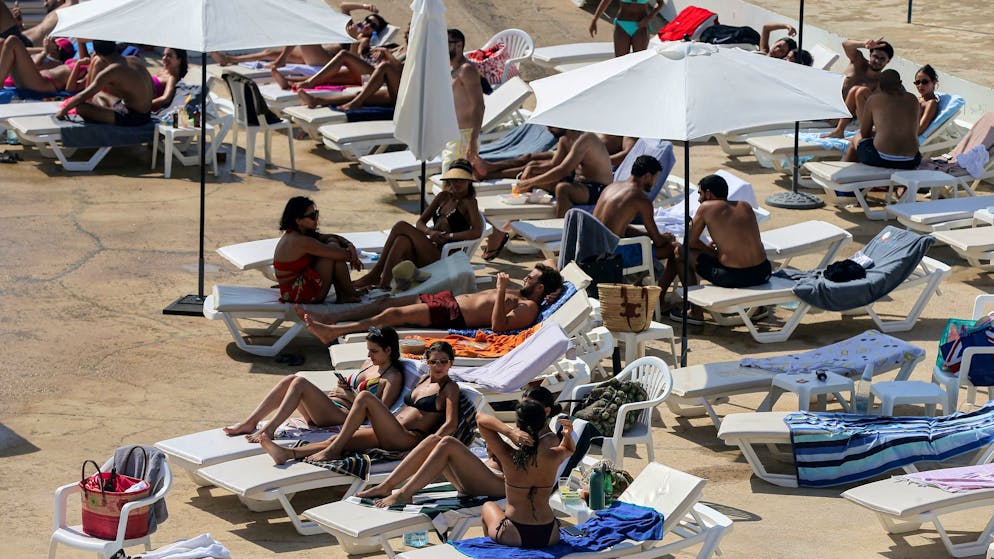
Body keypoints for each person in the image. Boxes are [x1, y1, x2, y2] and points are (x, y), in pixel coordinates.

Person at [355, 386, 564, 507]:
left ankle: (404, 494)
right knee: (434, 440)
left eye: (528, 406)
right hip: (480, 479)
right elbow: (480, 417)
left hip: (501, 487)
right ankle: (386, 486)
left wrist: (502, 449)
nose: (522, 411)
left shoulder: (548, 441)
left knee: (448, 443)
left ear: (546, 411)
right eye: (522, 405)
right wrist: (509, 432)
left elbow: (529, 476)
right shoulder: (521, 429)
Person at [258, 341, 461, 464]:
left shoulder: (449, 388)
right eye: (433, 361)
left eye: (443, 361)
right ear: (427, 362)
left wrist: (418, 450)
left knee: (365, 397)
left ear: (451, 363)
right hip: (391, 430)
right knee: (338, 439)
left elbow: (450, 425)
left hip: (407, 438)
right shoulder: (423, 379)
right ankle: (287, 453)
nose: (438, 366)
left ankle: (332, 452)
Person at [223, 327, 407, 442]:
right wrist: (343, 386)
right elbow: (353, 387)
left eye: (374, 351)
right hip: (329, 406)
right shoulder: (369, 363)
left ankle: (269, 430)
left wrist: (351, 395)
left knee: (300, 382)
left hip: (342, 415)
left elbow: (380, 413)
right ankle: (250, 422)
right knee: (290, 380)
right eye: (368, 350)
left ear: (388, 350)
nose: (368, 355)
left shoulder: (393, 377)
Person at [298, 264, 563, 344]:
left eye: (531, 277)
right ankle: (333, 318)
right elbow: (551, 266)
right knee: (387, 301)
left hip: (453, 314)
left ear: (540, 288)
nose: (525, 277)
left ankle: (334, 331)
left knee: (393, 314)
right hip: (448, 300)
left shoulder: (529, 308)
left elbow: (499, 327)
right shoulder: (523, 293)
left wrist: (502, 289)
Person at [479, 127, 613, 260]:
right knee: (536, 177)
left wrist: (529, 182)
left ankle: (561, 240)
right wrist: (531, 169)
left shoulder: (586, 139)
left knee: (562, 189)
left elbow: (563, 170)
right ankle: (514, 222)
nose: (548, 129)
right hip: (580, 184)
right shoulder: (565, 139)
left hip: (599, 189)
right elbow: (554, 164)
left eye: (551, 126)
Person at [353, 159, 482, 292]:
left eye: (461, 180)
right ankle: (384, 284)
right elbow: (420, 222)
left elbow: (477, 231)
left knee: (401, 225)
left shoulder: (469, 202)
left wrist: (449, 236)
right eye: (454, 179)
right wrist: (430, 232)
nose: (457, 183)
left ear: (469, 181)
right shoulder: (443, 196)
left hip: (445, 256)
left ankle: (374, 275)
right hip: (430, 249)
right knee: (401, 240)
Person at [670, 174, 771, 324]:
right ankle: (756, 309)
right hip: (763, 271)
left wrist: (708, 250)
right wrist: (717, 250)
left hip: (734, 277)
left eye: (700, 194)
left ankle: (695, 312)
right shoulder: (745, 206)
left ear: (708, 194)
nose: (699, 199)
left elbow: (689, 243)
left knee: (680, 252)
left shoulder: (706, 207)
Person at [481, 401, 575, 548]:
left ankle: (492, 553)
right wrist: (567, 435)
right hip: (550, 533)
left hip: (514, 533)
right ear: (544, 423)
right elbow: (569, 449)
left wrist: (509, 432)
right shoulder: (553, 456)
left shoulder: (508, 456)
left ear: (518, 425)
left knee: (488, 506)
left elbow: (480, 419)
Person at [592, 155, 679, 304]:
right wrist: (666, 238)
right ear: (647, 176)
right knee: (674, 250)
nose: (655, 183)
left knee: (644, 246)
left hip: (595, 247)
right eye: (656, 178)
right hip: (614, 254)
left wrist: (646, 235)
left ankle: (636, 293)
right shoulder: (640, 199)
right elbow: (658, 242)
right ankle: (659, 301)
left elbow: (616, 226)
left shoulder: (612, 187)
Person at [272, 196, 363, 304]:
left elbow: (332, 237)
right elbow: (340, 254)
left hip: (293, 289)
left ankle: (347, 294)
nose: (316, 219)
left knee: (332, 248)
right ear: (298, 220)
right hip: (295, 294)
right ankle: (348, 293)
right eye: (312, 216)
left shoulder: (298, 233)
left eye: (316, 214)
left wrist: (349, 245)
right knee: (330, 255)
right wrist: (351, 254)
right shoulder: (301, 241)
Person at [55, 40, 155, 126]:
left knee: (81, 107)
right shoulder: (134, 59)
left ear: (96, 54)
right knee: (100, 95)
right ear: (115, 47)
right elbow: (153, 88)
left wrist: (63, 112)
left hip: (134, 118)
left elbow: (83, 95)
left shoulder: (111, 71)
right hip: (146, 113)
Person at [844, 69, 921, 169]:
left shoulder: (874, 99)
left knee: (857, 138)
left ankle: (847, 173)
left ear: (879, 85)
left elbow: (864, 133)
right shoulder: (913, 99)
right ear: (900, 83)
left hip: (882, 158)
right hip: (912, 160)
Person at [823, 37, 893, 139]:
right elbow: (845, 44)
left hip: (841, 118)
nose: (877, 61)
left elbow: (869, 109)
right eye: (875, 56)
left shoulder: (880, 83)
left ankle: (841, 130)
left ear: (888, 61)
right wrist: (863, 44)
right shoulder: (858, 61)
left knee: (860, 91)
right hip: (827, 106)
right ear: (870, 55)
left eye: (882, 59)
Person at [444, 29, 485, 170]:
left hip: (464, 137)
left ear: (459, 45)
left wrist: (472, 141)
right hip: (452, 135)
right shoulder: (450, 69)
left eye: (446, 43)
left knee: (453, 178)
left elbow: (479, 106)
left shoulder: (466, 70)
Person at [0, 34, 82, 93]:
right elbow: (24, 50)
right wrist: (44, 49)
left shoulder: (57, 63)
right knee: (2, 43)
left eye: (53, 43)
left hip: (41, 84)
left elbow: (35, 66)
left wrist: (45, 52)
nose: (49, 43)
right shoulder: (46, 55)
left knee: (12, 40)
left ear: (58, 49)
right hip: (30, 80)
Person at [588, 0, 665, 57]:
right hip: (622, 25)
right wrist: (594, 20)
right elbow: (606, 1)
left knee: (639, 61)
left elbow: (660, 3)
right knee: (620, 61)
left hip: (641, 27)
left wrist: (649, 17)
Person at [0, 0, 75, 50]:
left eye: (47, 0)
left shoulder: (68, 9)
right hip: (20, 41)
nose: (44, 4)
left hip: (24, 46)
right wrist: (19, 25)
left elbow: (73, 2)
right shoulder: (53, 15)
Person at [914, 64, 940, 135]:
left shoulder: (931, 103)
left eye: (925, 82)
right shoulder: (918, 99)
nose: (920, 85)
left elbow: (919, 129)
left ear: (934, 82)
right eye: (917, 82)